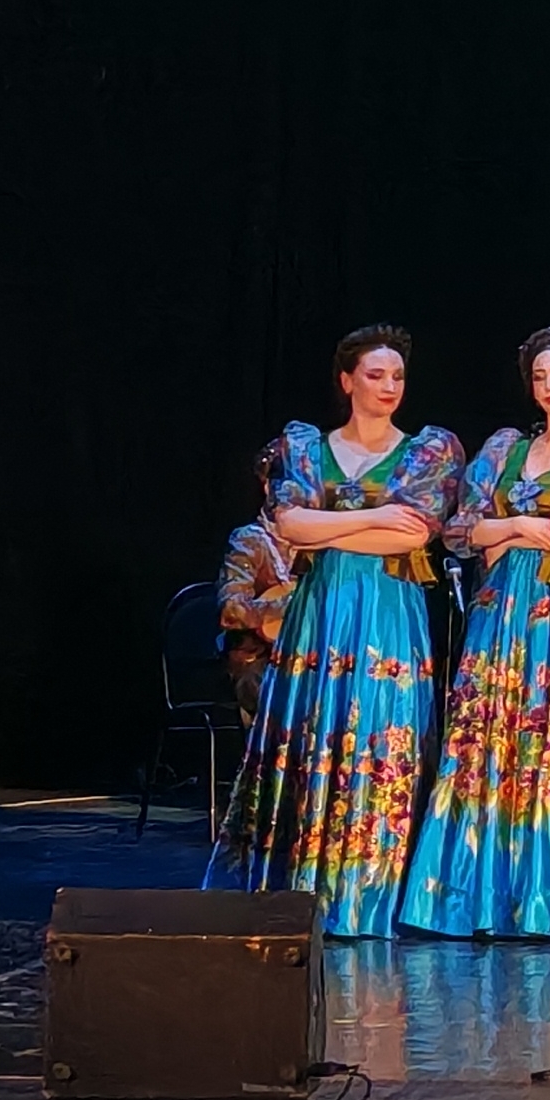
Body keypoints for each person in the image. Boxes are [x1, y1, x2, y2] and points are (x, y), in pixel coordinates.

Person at [219, 325, 464, 937]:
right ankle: (302, 894)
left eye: (397, 376)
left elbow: (413, 536)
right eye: (375, 375)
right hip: (321, 611)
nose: (388, 386)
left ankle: (371, 896)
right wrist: (378, 515)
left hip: (387, 610)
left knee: (381, 739)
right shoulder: (307, 448)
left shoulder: (427, 451)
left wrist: (327, 524)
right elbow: (290, 526)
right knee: (316, 737)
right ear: (348, 381)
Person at [399, 327, 550, 939]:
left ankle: (542, 896)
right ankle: (474, 898)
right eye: (540, 376)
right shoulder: (506, 449)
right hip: (498, 612)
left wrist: (506, 530)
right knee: (487, 737)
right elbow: (461, 530)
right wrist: (522, 529)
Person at [214, 502, 298, 720]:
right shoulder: (250, 541)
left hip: (306, 652)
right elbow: (231, 610)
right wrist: (292, 607)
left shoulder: (320, 545)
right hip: (258, 658)